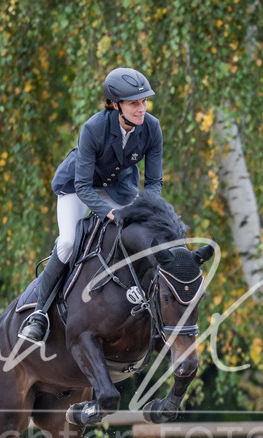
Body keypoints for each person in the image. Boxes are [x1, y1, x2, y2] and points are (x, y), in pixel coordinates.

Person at [18, 67, 164, 343]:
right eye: (134, 103)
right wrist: (109, 213)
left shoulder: (152, 128)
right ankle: (38, 314)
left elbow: (154, 183)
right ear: (114, 105)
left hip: (118, 188)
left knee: (143, 237)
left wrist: (146, 211)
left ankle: (152, 310)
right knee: (69, 243)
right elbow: (84, 186)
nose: (142, 108)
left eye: (144, 101)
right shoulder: (94, 128)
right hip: (76, 187)